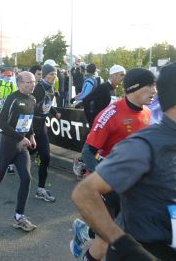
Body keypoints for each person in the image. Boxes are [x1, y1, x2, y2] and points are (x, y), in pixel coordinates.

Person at [71, 62, 176, 261]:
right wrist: (104, 182)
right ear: (134, 88)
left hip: (136, 186)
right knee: (105, 242)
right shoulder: (111, 114)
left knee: (107, 237)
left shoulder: (148, 113)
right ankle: (86, 233)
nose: (154, 90)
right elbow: (88, 152)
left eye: (155, 85)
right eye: (149, 85)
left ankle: (85, 230)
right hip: (110, 182)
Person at [0, 71, 38, 232]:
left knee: (26, 178)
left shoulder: (33, 99)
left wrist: (31, 135)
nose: (32, 84)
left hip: (22, 145)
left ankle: (19, 216)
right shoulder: (13, 99)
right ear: (19, 83)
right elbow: (2, 124)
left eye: (33, 82)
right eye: (28, 82)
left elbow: (29, 119)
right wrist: (20, 137)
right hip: (8, 142)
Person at [31, 63, 61, 202]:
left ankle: (41, 189)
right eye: (50, 74)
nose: (53, 77)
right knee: (26, 151)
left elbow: (48, 103)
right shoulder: (38, 87)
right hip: (31, 125)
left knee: (46, 156)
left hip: (41, 125)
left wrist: (55, 112)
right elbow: (31, 105)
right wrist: (39, 107)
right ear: (44, 75)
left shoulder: (51, 87)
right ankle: (11, 162)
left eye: (54, 74)